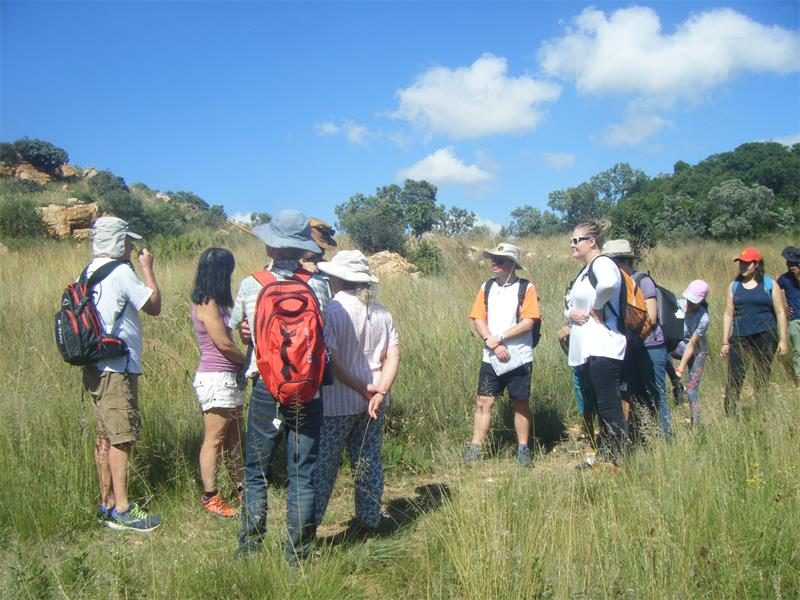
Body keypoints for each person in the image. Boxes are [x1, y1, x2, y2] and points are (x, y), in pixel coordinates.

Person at [231, 209, 331, 564]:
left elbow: (238, 327)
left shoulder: (251, 283)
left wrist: (249, 332)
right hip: (309, 390)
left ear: (271, 246)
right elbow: (325, 336)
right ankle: (298, 555)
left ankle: (249, 550)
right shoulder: (318, 285)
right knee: (303, 473)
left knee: (256, 471)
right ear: (303, 247)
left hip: (266, 388)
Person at [82, 216, 162, 532]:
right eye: (127, 240)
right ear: (117, 241)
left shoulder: (88, 272)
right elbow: (153, 306)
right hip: (117, 368)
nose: (130, 246)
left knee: (104, 435)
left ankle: (107, 503)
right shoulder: (120, 271)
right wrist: (148, 269)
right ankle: (124, 510)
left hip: (96, 366)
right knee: (122, 437)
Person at [313, 250, 400, 533]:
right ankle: (369, 520)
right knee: (368, 462)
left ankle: (307, 528)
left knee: (324, 468)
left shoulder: (332, 311)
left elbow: (332, 362)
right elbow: (393, 355)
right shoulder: (381, 312)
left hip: (337, 403)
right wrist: (379, 391)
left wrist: (365, 389)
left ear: (337, 278)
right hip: (373, 403)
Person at [463, 243, 541, 466]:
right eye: (493, 259)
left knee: (521, 403)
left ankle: (523, 449)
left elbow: (528, 322)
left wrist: (501, 338)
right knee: (483, 401)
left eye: (500, 260)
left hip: (519, 357)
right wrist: (492, 342)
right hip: (491, 357)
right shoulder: (486, 287)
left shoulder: (526, 288)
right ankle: (475, 447)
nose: (494, 263)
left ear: (513, 264)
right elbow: (478, 319)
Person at [190, 247, 247, 518]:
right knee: (214, 439)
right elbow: (223, 343)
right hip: (216, 378)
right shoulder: (207, 303)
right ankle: (211, 496)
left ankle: (241, 488)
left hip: (226, 377)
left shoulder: (216, 302)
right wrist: (246, 360)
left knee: (234, 437)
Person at [565, 221, 628, 465]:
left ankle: (616, 461)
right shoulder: (585, 270)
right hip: (588, 350)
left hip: (603, 346)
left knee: (609, 405)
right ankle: (604, 456)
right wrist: (571, 314)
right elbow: (570, 304)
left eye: (576, 240)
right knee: (600, 407)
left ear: (592, 242)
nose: (572, 245)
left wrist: (598, 307)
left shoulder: (603, 263)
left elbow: (610, 285)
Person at [603, 239, 672, 440]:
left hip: (651, 346)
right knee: (637, 393)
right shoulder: (617, 284)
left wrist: (632, 337)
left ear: (619, 262)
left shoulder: (642, 281)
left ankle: (666, 437)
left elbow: (650, 317)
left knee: (656, 393)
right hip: (630, 347)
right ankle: (646, 435)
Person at [721, 247, 788, 415]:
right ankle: (729, 413)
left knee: (762, 373)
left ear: (756, 264)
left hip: (765, 334)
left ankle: (762, 409)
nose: (743, 266)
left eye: (747, 263)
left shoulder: (769, 284)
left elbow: (780, 312)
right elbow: (728, 313)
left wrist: (783, 339)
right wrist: (724, 341)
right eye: (741, 263)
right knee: (735, 376)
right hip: (740, 336)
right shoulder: (734, 286)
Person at [671, 280, 711, 427]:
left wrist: (680, 368)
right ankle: (676, 387)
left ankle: (696, 424)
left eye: (694, 302)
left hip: (696, 352)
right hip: (677, 346)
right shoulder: (677, 305)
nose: (690, 304)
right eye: (689, 299)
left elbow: (692, 345)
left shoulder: (703, 318)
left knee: (692, 389)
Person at [778, 246, 800, 385]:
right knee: (798, 349)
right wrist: (782, 308)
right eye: (788, 262)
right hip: (795, 319)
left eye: (792, 263)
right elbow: (772, 293)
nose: (789, 265)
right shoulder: (784, 279)